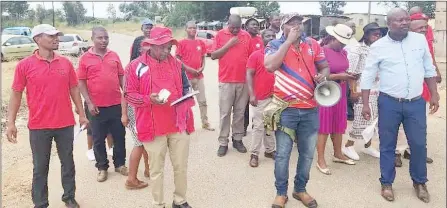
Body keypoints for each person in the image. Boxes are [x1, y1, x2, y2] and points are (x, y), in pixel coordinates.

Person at [360, 8, 439, 203]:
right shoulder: (378, 46)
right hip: (389, 103)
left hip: (415, 102)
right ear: (389, 24)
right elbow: (368, 75)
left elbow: (428, 68)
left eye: (406, 19)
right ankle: (386, 183)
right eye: (399, 20)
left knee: (419, 144)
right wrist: (365, 104)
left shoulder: (419, 41)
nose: (404, 23)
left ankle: (419, 182)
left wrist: (435, 94)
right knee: (387, 144)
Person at [6, 24, 88, 208]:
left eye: (56, 36)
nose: (56, 39)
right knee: (40, 168)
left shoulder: (65, 63)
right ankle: (41, 203)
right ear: (37, 39)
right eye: (51, 36)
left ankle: (69, 197)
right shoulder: (24, 65)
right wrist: (10, 122)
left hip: (65, 123)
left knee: (68, 163)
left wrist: (81, 114)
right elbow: (16, 93)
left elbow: (74, 89)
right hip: (38, 126)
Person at [125, 26, 195, 208]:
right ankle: (158, 204)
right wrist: (148, 99)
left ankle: (180, 200)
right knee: (156, 170)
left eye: (169, 46)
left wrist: (186, 97)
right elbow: (128, 94)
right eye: (163, 46)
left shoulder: (177, 64)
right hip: (153, 126)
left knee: (181, 166)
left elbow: (186, 87)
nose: (167, 50)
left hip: (178, 124)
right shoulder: (135, 66)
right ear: (151, 46)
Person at [264, 13, 329, 208]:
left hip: (310, 108)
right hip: (285, 109)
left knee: (307, 153)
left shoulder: (312, 45)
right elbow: (270, 66)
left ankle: (300, 189)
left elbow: (325, 67)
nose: (297, 27)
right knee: (283, 154)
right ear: (283, 27)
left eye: (299, 23)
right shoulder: (274, 46)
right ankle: (281, 193)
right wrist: (288, 42)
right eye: (291, 24)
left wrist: (322, 76)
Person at [78, 27, 128, 182]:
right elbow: (81, 82)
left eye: (106, 38)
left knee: (119, 136)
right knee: (98, 138)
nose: (104, 41)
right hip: (96, 107)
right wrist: (89, 102)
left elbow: (122, 77)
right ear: (93, 38)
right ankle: (102, 167)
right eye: (100, 38)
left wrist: (125, 96)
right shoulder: (85, 58)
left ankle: (120, 164)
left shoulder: (114, 56)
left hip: (115, 104)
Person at [393, 12, 440, 166]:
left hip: (423, 88)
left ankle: (413, 151)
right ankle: (397, 151)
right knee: (401, 124)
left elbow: (430, 61)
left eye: (425, 27)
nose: (424, 30)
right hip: (404, 90)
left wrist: (436, 80)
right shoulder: (399, 42)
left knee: (420, 122)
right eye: (420, 27)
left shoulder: (425, 42)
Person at [315, 24, 359, 175]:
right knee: (324, 126)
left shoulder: (344, 52)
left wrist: (349, 75)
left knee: (339, 123)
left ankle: (338, 154)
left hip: (340, 91)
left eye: (345, 43)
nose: (343, 45)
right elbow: (320, 75)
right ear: (332, 38)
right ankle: (320, 159)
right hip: (326, 92)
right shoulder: (322, 52)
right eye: (340, 42)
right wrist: (341, 76)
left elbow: (342, 69)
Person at [342, 22, 383, 161]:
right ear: (366, 35)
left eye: (379, 35)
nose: (377, 37)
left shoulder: (379, 49)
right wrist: (353, 91)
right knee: (361, 119)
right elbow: (351, 73)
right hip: (361, 90)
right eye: (374, 34)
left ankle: (368, 146)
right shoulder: (357, 50)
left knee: (373, 120)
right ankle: (348, 145)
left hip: (377, 89)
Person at [211, 14, 251, 157]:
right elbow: (213, 55)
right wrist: (229, 44)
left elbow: (252, 58)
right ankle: (223, 142)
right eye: (232, 27)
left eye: (238, 27)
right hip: (226, 80)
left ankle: (237, 139)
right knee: (225, 113)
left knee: (240, 113)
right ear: (228, 23)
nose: (235, 30)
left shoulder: (246, 36)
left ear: (241, 25)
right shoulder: (220, 35)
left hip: (243, 81)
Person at [122, 39, 151, 190]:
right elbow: (125, 93)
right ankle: (131, 179)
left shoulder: (145, 65)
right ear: (140, 49)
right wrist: (124, 114)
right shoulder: (132, 67)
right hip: (134, 111)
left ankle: (148, 169)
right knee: (139, 144)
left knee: (145, 141)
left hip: (143, 109)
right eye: (148, 44)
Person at [176, 21, 215, 131]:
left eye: (194, 28)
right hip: (186, 77)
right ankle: (186, 125)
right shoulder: (181, 43)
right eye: (190, 28)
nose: (193, 30)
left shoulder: (200, 43)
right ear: (186, 29)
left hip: (199, 76)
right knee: (186, 103)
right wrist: (189, 69)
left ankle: (205, 123)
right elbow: (178, 60)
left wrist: (202, 68)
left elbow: (203, 57)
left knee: (202, 101)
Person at [246, 29, 276, 167]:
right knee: (258, 126)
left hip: (275, 96)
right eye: (267, 36)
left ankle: (270, 150)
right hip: (260, 97)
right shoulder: (256, 55)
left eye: (273, 36)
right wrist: (251, 94)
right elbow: (249, 75)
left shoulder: (279, 56)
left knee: (270, 124)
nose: (270, 38)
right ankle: (254, 154)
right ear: (261, 39)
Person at [243, 18, 263, 136]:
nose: (255, 26)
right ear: (246, 27)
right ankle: (244, 127)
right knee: (244, 104)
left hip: (259, 77)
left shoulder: (261, 40)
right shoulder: (244, 40)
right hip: (246, 75)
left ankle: (256, 125)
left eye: (257, 25)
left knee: (258, 103)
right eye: (253, 25)